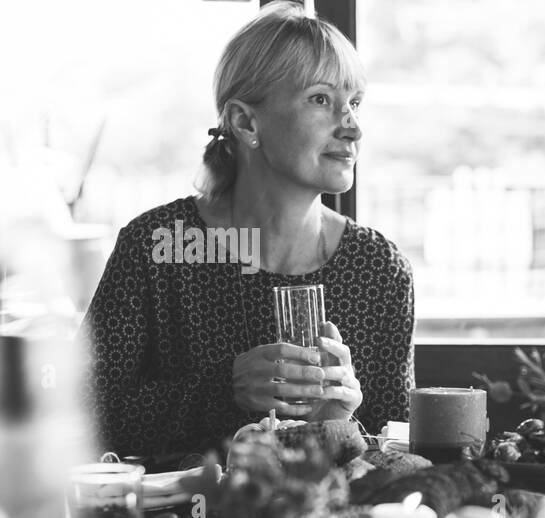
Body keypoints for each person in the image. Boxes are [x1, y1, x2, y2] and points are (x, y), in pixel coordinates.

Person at [80, 1, 414, 459]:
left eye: (354, 103)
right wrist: (223, 388)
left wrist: (342, 420)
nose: (353, 128)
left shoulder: (378, 268)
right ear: (245, 121)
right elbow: (82, 420)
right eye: (321, 99)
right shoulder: (160, 246)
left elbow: (400, 454)